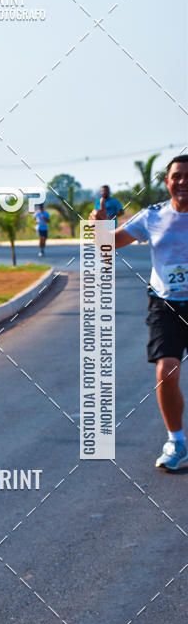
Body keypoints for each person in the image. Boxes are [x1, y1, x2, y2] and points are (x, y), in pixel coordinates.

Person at [91, 155, 188, 470]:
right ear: (167, 182)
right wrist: (100, 225)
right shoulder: (153, 216)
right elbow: (109, 244)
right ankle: (176, 441)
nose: (183, 181)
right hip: (166, 305)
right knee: (166, 370)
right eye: (177, 176)